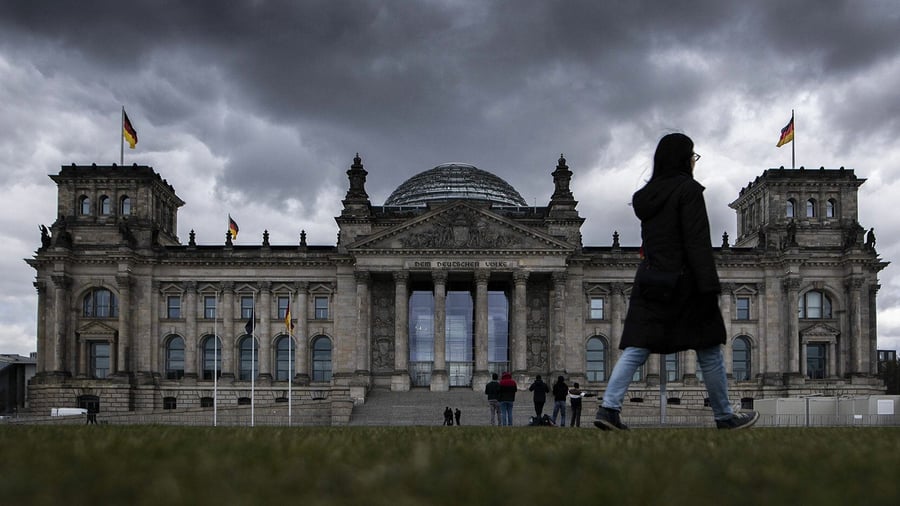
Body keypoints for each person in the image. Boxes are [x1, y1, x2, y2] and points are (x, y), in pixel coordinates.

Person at [594, 133, 759, 431]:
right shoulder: (689, 190)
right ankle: (725, 416)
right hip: (685, 281)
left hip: (650, 278)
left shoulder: (645, 197)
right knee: (709, 349)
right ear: (684, 159)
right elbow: (697, 242)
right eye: (692, 156)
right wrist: (709, 286)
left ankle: (608, 409)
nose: (694, 162)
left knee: (636, 347)